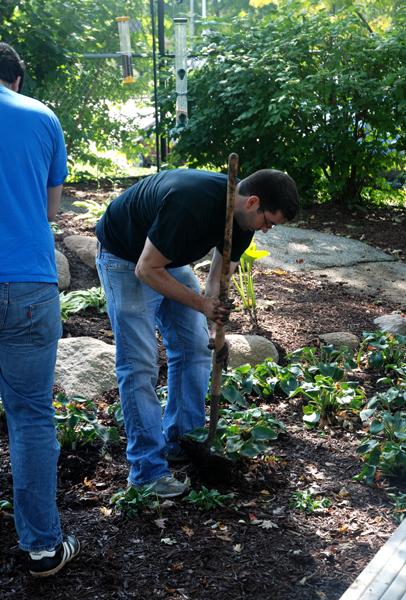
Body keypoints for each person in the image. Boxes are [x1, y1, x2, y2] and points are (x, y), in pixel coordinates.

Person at [96, 168, 299, 497]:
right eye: (269, 221)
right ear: (253, 202)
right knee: (140, 364)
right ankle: (147, 472)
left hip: (166, 256)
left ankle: (182, 440)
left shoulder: (243, 223)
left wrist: (214, 316)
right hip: (125, 256)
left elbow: (217, 284)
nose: (267, 229)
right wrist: (202, 305)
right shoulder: (191, 203)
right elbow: (146, 269)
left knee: (194, 348)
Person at [0, 43, 80, 577]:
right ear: (18, 79)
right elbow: (52, 210)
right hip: (27, 281)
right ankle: (42, 549)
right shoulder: (41, 117)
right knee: (29, 416)